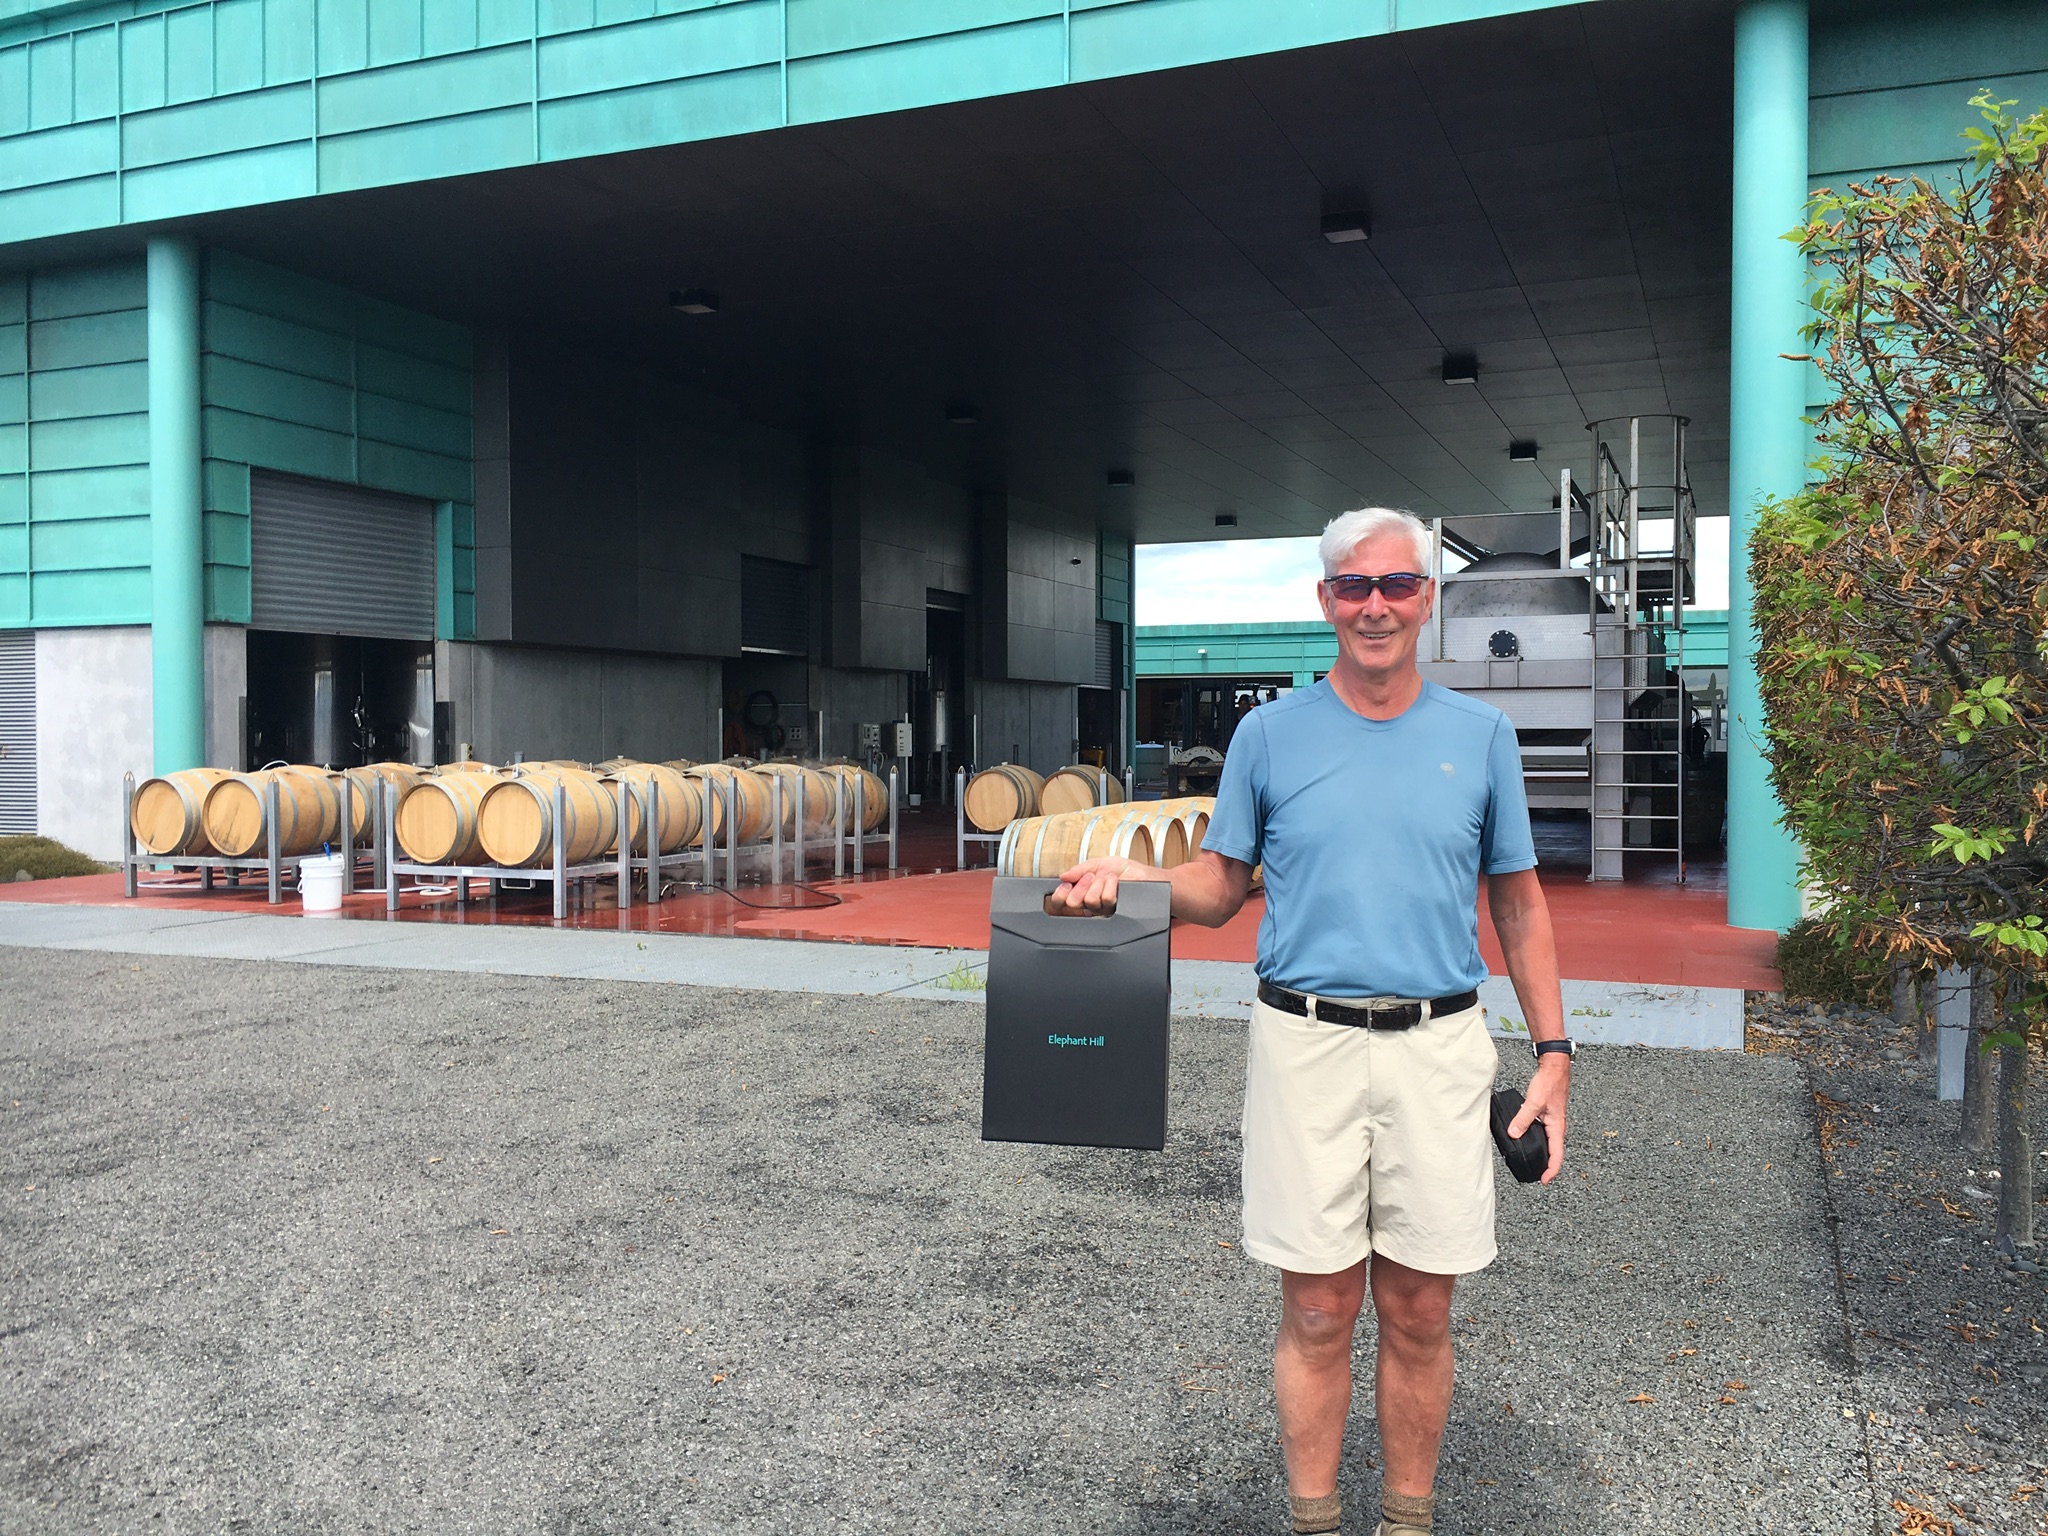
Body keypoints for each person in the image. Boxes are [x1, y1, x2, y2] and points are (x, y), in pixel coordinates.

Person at [1052, 507, 1571, 1536]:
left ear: (1426, 598)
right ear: (1325, 598)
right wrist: (1132, 883)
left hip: (1439, 1049)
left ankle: (1407, 1522)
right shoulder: (1267, 735)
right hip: (1304, 1045)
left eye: (1396, 584)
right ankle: (1314, 1522)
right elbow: (1218, 887)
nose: (1375, 605)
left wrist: (1553, 1052)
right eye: (1353, 586)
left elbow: (1517, 904)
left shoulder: (1479, 737)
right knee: (1318, 1307)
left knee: (1420, 1310)